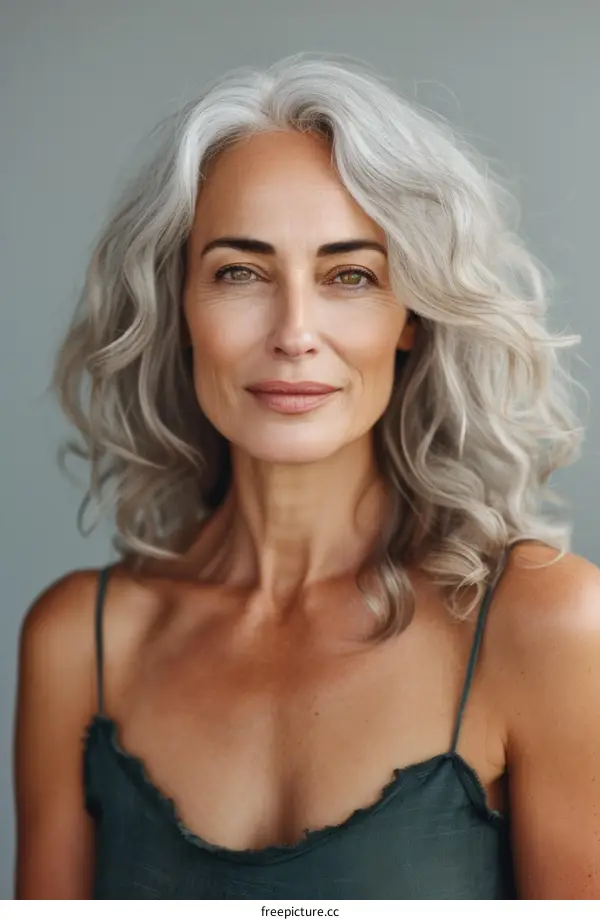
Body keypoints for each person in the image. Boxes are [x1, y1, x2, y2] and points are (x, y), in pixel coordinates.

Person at [13, 52, 600, 900]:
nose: (295, 331)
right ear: (176, 302)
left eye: (350, 276)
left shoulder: (544, 626)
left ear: (413, 315)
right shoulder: (82, 643)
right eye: (239, 272)